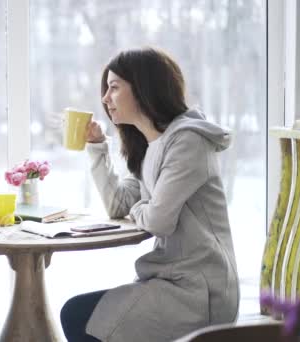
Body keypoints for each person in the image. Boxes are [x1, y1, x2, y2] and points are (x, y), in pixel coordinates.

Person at [60, 47, 239, 342]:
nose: (105, 98)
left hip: (202, 291)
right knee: (77, 314)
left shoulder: (188, 142)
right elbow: (119, 205)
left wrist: (143, 207)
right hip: (170, 280)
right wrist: (96, 146)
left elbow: (157, 220)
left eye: (114, 88)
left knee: (78, 317)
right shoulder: (151, 144)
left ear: (143, 89)